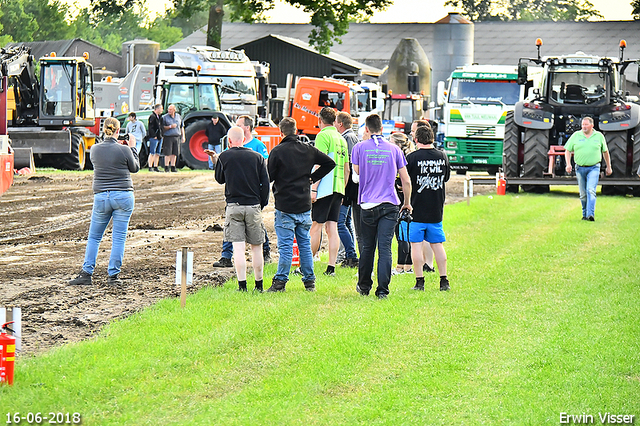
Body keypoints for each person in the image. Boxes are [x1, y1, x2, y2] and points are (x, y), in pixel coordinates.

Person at [266, 117, 335, 292]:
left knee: (286, 245)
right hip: (304, 204)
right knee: (304, 244)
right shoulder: (308, 149)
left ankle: (280, 282)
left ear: (281, 132)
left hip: (285, 205)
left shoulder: (278, 151)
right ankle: (309, 281)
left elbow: (269, 177)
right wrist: (312, 178)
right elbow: (330, 163)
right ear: (296, 130)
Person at [69, 117, 140, 286]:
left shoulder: (94, 149)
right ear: (118, 130)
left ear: (103, 130)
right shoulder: (124, 150)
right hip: (123, 195)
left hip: (101, 196)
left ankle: (86, 273)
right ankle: (113, 276)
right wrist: (133, 148)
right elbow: (135, 167)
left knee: (94, 237)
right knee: (118, 238)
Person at [351, 114, 412, 299]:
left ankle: (364, 286)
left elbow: (357, 172)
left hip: (368, 203)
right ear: (382, 129)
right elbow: (406, 180)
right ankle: (383, 290)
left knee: (367, 247)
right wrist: (407, 203)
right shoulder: (394, 150)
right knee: (384, 248)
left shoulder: (359, 148)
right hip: (390, 203)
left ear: (366, 129)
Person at [207, 126, 269, 292]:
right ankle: (259, 285)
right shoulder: (257, 157)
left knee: (238, 248)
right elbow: (265, 184)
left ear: (229, 141)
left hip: (234, 206)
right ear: (244, 139)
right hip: (253, 205)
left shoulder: (224, 156)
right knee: (257, 247)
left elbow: (220, 179)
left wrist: (217, 161)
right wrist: (262, 203)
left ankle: (242, 286)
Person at [406, 125, 451, 292]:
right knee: (437, 244)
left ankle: (419, 281)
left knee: (416, 246)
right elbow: (446, 178)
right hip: (436, 208)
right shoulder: (442, 156)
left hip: (416, 208)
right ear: (432, 138)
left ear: (416, 139)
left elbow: (404, 180)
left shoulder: (411, 158)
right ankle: (444, 280)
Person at [310, 107, 349, 277]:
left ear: (320, 121)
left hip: (325, 187)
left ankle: (307, 264)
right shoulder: (341, 139)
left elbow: (319, 164)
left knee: (316, 226)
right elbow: (347, 169)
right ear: (334, 121)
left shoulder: (322, 136)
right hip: (339, 187)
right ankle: (331, 267)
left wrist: (313, 188)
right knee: (332, 227)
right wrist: (343, 189)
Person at [564, 116, 612, 221]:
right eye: (582, 125)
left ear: (592, 125)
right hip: (580, 168)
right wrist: (568, 164)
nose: (584, 127)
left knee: (591, 190)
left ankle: (591, 214)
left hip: (594, 167)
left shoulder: (599, 136)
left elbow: (605, 152)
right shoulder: (576, 135)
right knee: (583, 194)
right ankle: (584, 214)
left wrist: (609, 166)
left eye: (586, 125)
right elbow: (567, 150)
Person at [334, 111, 359, 268]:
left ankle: (351, 255)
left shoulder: (347, 138)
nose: (335, 125)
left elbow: (348, 167)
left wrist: (343, 190)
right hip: (351, 188)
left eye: (336, 122)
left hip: (348, 188)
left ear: (340, 124)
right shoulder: (352, 137)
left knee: (339, 222)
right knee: (347, 222)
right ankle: (350, 254)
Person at [411, 119, 436, 273]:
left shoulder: (414, 156)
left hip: (419, 201)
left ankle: (424, 267)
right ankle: (429, 265)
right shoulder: (440, 155)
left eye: (413, 131)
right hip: (435, 202)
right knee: (432, 239)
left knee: (420, 239)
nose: (411, 134)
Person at [390, 132, 414, 275]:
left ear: (398, 144)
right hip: (406, 199)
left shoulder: (401, 159)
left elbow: (405, 181)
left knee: (402, 234)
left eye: (391, 141)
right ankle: (408, 265)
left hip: (402, 200)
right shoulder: (409, 157)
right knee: (405, 233)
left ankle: (401, 266)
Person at [162, 104, 185, 172]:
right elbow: (162, 127)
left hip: (177, 136)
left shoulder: (179, 117)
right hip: (168, 136)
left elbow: (181, 127)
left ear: (174, 110)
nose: (169, 111)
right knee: (167, 152)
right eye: (168, 109)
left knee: (175, 152)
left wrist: (183, 136)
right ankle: (166, 167)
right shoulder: (164, 117)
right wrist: (170, 127)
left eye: (171, 109)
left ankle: (173, 166)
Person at [147, 104, 163, 172]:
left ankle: (156, 166)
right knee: (152, 152)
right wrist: (153, 135)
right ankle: (150, 166)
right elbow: (151, 127)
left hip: (159, 136)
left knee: (157, 153)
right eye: (161, 108)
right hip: (154, 137)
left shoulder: (159, 117)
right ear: (157, 109)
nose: (162, 110)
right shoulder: (152, 117)